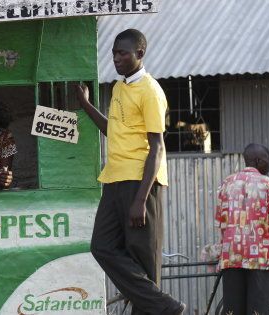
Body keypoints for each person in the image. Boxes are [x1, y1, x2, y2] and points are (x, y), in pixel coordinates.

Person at [77, 29, 185, 314]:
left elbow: (158, 147)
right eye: (114, 53)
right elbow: (112, 131)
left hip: (140, 183)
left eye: (123, 53)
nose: (116, 58)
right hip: (114, 179)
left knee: (143, 264)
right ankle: (165, 306)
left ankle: (162, 307)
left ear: (140, 54)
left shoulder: (150, 90)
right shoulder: (119, 88)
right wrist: (87, 105)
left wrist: (140, 199)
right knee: (102, 246)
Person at [216, 143, 269, 315]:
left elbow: (222, 224)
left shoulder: (226, 183)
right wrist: (267, 247)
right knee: (259, 310)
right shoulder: (267, 183)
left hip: (231, 257)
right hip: (260, 260)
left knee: (233, 310)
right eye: (267, 161)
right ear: (257, 161)